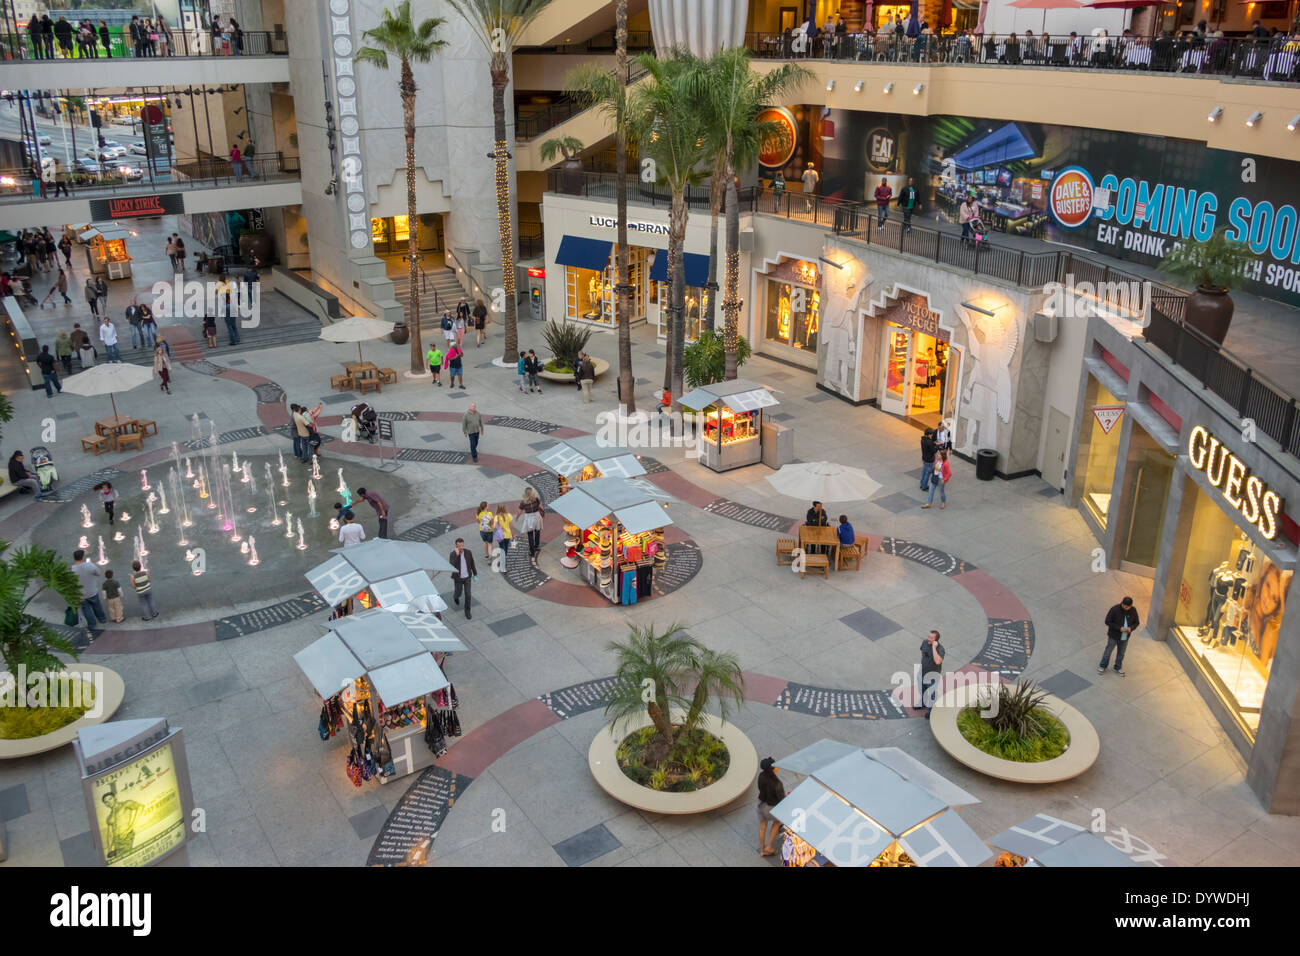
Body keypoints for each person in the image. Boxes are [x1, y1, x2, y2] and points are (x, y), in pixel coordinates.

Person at [1099, 596, 1139, 675]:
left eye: (1127, 606)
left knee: (1121, 653)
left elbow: (1136, 622)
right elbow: (1107, 621)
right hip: (1113, 636)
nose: (1124, 607)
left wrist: (1131, 628)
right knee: (1108, 651)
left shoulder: (1133, 610)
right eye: (1123, 605)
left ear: (1130, 606)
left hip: (1125, 637)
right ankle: (1103, 666)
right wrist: (1119, 628)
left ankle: (1118, 667)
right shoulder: (1115, 609)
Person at [71, 550, 107, 638]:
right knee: (97, 606)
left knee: (86, 610)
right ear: (83, 557)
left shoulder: (72, 569)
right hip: (92, 591)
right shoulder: (90, 565)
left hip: (80, 594)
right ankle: (102, 619)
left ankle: (92, 624)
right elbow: (98, 573)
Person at [756, 756, 786, 857]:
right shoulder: (777, 783)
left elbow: (760, 788)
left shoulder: (761, 775)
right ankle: (769, 846)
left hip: (760, 804)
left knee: (762, 826)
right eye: (775, 766)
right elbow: (782, 798)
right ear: (771, 769)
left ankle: (762, 850)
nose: (777, 767)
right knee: (777, 822)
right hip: (771, 807)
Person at [448, 537, 477, 620]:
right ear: (456, 546)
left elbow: (472, 563)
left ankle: (467, 611)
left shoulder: (468, 552)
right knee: (458, 592)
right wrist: (457, 555)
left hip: (467, 577)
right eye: (459, 546)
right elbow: (451, 566)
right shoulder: (453, 554)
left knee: (468, 594)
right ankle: (455, 597)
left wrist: (475, 573)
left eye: (462, 546)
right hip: (458, 578)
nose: (461, 548)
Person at [919, 630, 945, 715]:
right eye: (928, 636)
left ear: (936, 640)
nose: (928, 639)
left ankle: (930, 711)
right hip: (923, 672)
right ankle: (922, 704)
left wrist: (934, 648)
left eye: (931, 638)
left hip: (932, 676)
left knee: (931, 694)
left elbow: (938, 662)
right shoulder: (925, 642)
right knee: (922, 690)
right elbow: (922, 652)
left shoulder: (940, 649)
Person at [518, 486, 545, 566]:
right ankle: (537, 546)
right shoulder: (536, 499)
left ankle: (532, 552)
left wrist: (517, 517)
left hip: (529, 518)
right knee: (537, 532)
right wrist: (543, 512)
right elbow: (541, 507)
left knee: (530, 535)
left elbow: (519, 511)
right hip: (536, 517)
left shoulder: (523, 502)